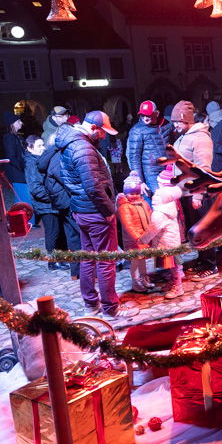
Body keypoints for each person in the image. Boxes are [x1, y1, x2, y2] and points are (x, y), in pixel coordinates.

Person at [57, 111, 131, 319]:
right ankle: (111, 308)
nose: (105, 136)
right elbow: (92, 185)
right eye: (103, 132)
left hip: (82, 209)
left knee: (88, 258)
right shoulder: (83, 147)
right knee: (106, 260)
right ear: (93, 128)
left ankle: (91, 304)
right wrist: (108, 211)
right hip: (94, 211)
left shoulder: (73, 143)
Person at [171, 100, 217, 274]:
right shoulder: (184, 136)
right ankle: (202, 258)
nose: (175, 125)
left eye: (178, 121)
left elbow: (203, 167)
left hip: (196, 193)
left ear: (187, 120)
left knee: (203, 229)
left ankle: (211, 265)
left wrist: (198, 194)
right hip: (185, 192)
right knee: (195, 230)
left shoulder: (200, 138)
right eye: (174, 121)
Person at [24, 134, 69, 271]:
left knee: (58, 231)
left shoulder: (38, 160)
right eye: (39, 146)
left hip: (50, 204)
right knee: (52, 232)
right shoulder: (31, 164)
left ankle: (59, 258)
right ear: (29, 148)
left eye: (43, 145)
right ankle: (52, 262)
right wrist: (53, 198)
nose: (42, 148)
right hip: (46, 205)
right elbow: (35, 188)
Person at [139, 167, 186, 299]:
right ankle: (175, 282)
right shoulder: (170, 204)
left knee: (175, 266)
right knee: (174, 265)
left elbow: (153, 228)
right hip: (173, 241)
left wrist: (142, 240)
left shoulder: (160, 212)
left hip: (167, 243)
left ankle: (178, 287)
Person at [116, 172, 156, 294]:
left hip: (144, 237)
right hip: (134, 240)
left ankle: (144, 278)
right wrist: (138, 238)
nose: (135, 196)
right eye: (131, 193)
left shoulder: (142, 202)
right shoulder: (124, 206)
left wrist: (150, 233)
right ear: (125, 193)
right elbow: (128, 225)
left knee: (142, 259)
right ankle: (135, 280)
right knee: (135, 260)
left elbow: (149, 215)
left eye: (137, 193)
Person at [127, 100, 173, 199]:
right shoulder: (137, 130)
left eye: (148, 114)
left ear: (157, 113)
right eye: (143, 115)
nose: (145, 117)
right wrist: (139, 180)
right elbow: (134, 157)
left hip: (168, 169)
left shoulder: (166, 125)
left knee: (171, 199)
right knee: (160, 199)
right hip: (151, 171)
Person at [1, 113, 34, 220]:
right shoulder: (9, 138)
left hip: (18, 171)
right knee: (24, 198)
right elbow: (12, 157)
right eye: (18, 121)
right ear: (12, 124)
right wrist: (22, 168)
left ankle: (20, 220)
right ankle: (27, 221)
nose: (21, 123)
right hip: (17, 172)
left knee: (21, 197)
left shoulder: (15, 136)